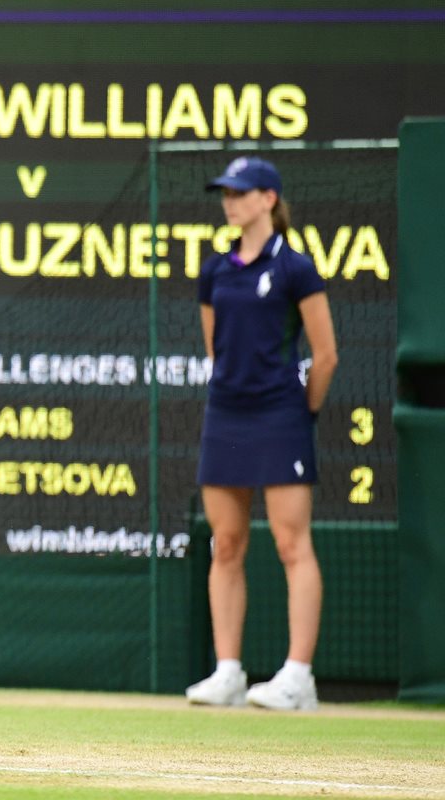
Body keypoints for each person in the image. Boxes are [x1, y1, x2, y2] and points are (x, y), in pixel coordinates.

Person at [185, 157, 338, 712]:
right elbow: (215, 347)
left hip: (280, 416)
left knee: (291, 544)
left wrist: (303, 412)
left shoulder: (297, 267)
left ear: (268, 199)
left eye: (241, 193)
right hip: (226, 413)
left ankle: (298, 677)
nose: (229, 202)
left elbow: (325, 356)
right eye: (225, 193)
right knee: (225, 544)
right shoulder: (216, 270)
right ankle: (228, 673)